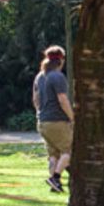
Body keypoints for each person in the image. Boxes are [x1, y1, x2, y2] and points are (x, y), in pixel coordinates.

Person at [32, 45, 73, 194]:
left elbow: (35, 99)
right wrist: (72, 117)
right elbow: (62, 99)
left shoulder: (40, 76)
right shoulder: (58, 76)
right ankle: (55, 178)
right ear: (61, 60)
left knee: (53, 154)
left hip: (42, 121)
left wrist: (40, 113)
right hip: (57, 121)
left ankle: (54, 185)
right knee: (69, 150)